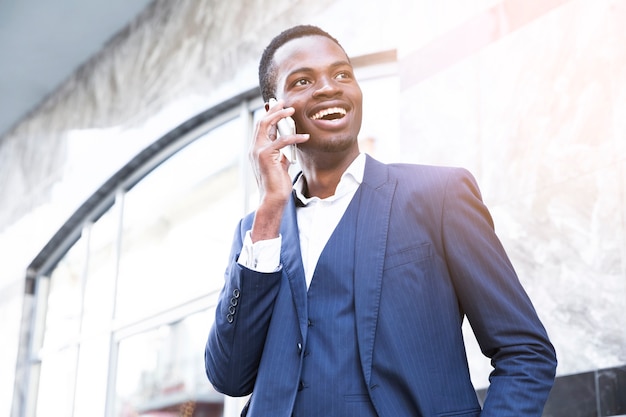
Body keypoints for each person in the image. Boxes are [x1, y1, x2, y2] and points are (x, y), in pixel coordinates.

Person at [205, 25, 557, 417]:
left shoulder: (438, 195)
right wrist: (270, 209)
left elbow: (525, 351)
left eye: (342, 75)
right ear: (274, 112)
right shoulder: (257, 234)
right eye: (303, 80)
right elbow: (229, 375)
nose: (328, 88)